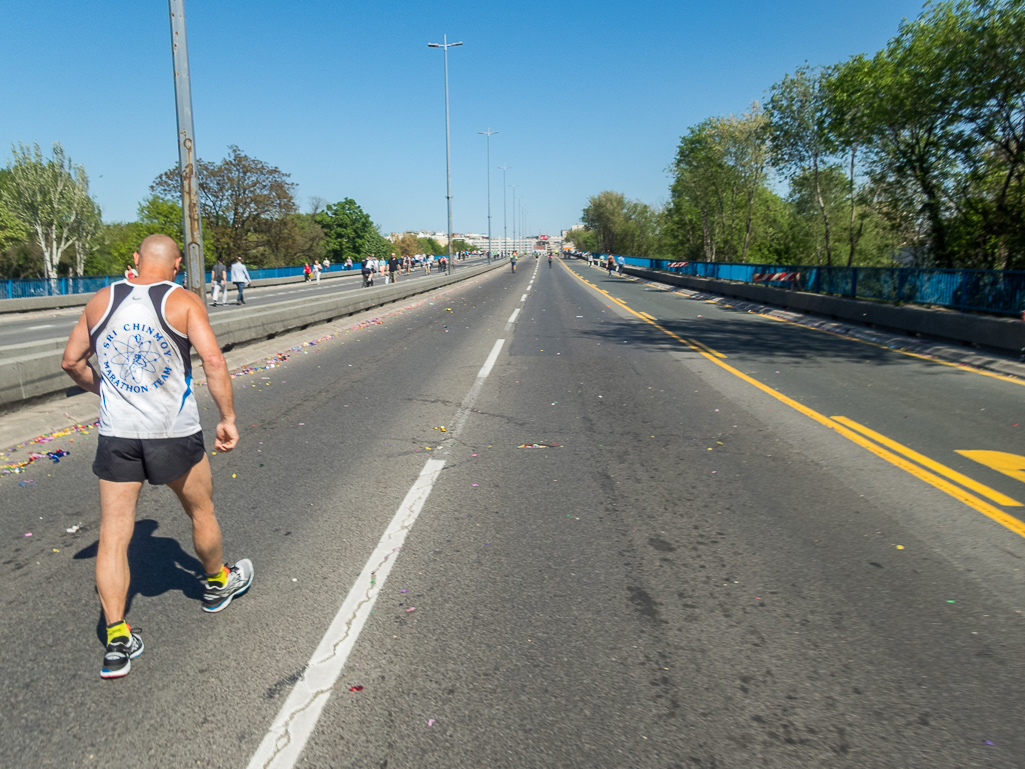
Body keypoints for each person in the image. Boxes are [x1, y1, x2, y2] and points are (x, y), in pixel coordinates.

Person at [60, 234, 253, 679]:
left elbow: (71, 361)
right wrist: (228, 417)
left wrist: (105, 387)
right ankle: (217, 585)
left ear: (135, 260)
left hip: (118, 436)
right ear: (178, 264)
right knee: (201, 512)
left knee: (112, 535)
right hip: (173, 433)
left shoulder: (101, 300)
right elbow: (213, 362)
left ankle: (117, 640)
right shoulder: (183, 301)